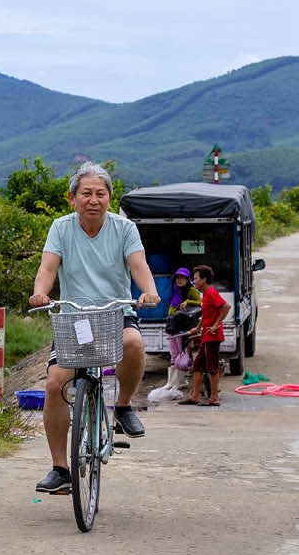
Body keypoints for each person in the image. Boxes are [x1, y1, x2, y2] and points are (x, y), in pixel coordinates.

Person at [28, 162, 160, 494]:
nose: (93, 200)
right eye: (86, 193)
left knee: (133, 343)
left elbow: (138, 264)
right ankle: (60, 469)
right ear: (72, 198)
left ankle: (124, 405)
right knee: (55, 383)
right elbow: (48, 267)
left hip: (115, 313)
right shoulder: (61, 228)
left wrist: (149, 291)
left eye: (100, 193)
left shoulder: (124, 228)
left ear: (109, 198)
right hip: (75, 319)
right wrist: (41, 292)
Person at [189, 264, 228, 406]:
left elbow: (226, 307)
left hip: (213, 336)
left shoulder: (211, 292)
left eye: (196, 278)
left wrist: (216, 325)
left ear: (204, 279)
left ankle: (214, 398)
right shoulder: (205, 294)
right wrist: (197, 328)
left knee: (212, 368)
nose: (194, 281)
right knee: (198, 365)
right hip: (206, 336)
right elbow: (206, 315)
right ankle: (194, 396)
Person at [164, 266, 202, 375]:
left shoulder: (191, 290)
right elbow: (173, 306)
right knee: (173, 352)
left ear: (187, 279)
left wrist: (188, 301)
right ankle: (174, 380)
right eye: (177, 278)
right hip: (172, 325)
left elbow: (200, 303)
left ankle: (183, 376)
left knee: (182, 352)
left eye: (182, 278)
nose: (179, 280)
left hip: (183, 326)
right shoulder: (176, 290)